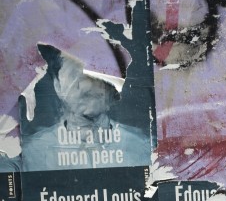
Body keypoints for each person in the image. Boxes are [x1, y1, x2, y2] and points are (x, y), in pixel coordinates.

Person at [21, 54, 151, 171]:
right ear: (58, 86)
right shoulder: (33, 154)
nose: (86, 86)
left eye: (96, 73)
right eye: (74, 75)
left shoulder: (143, 149)